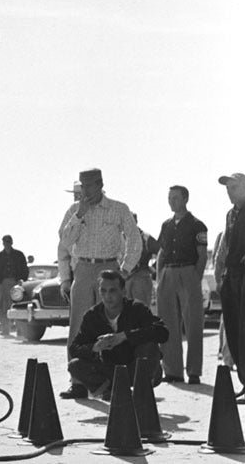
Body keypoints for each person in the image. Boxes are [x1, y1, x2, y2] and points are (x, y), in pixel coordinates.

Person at [57, 167, 141, 399]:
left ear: (101, 184)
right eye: (82, 187)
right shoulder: (74, 211)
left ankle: (111, 382)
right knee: (78, 328)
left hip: (109, 267)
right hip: (83, 269)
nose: (86, 191)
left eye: (90, 185)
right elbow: (65, 241)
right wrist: (80, 215)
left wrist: (124, 269)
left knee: (111, 325)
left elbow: (135, 239)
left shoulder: (118, 209)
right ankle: (78, 383)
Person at [65, 270, 168, 400]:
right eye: (103, 291)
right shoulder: (92, 316)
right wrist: (95, 347)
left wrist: (124, 336)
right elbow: (74, 348)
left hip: (135, 366)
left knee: (150, 346)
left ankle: (142, 391)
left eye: (112, 290)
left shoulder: (136, 309)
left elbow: (162, 332)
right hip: (110, 370)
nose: (107, 296)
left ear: (123, 291)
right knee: (75, 365)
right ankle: (110, 392)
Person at [155, 185, 207, 384]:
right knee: (167, 324)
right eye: (169, 198)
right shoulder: (166, 225)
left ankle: (194, 371)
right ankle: (173, 371)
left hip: (188, 272)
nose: (171, 201)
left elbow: (202, 254)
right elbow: (161, 252)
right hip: (168, 273)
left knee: (193, 323)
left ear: (185, 199)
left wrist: (195, 277)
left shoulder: (198, 225)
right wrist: (160, 277)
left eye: (175, 198)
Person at [215, 172, 245, 400]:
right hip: (232, 276)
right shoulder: (230, 214)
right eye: (227, 188)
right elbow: (225, 247)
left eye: (234, 187)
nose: (229, 191)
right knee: (235, 331)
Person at [0, 235, 29, 338]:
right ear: (3, 243)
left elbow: (24, 268)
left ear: (12, 242)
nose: (7, 243)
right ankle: (5, 329)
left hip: (16, 282)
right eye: (5, 242)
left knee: (18, 306)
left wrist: (22, 280)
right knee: (3, 307)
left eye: (8, 241)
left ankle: (20, 330)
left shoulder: (19, 255)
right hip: (3, 283)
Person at [125, 214, 158, 307]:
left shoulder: (146, 238)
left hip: (141, 278)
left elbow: (161, 253)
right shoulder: (120, 238)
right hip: (125, 280)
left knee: (141, 312)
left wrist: (153, 269)